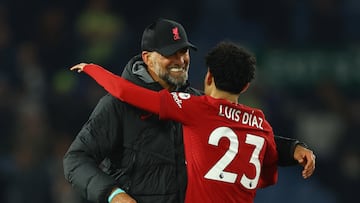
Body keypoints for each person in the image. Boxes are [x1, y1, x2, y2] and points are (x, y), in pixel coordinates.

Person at [63, 18, 315, 203]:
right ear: (147, 57)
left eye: (184, 51)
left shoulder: (197, 104)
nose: (180, 59)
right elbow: (75, 160)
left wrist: (293, 149)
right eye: (170, 53)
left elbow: (245, 133)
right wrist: (113, 195)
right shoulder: (117, 105)